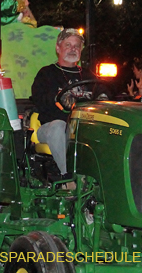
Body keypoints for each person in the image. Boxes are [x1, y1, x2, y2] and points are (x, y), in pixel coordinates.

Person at [30, 29, 93, 185]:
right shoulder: (46, 74)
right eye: (68, 45)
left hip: (82, 129)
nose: (73, 49)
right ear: (58, 48)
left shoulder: (90, 76)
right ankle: (68, 179)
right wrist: (58, 98)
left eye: (76, 46)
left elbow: (104, 97)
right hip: (51, 127)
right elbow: (40, 102)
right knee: (59, 126)